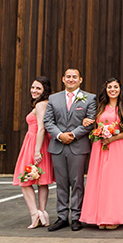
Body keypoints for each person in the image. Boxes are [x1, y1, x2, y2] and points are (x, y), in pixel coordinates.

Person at [80, 78, 123, 230]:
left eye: (115, 87)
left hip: (118, 146)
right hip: (100, 146)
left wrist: (114, 137)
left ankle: (113, 217)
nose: (112, 89)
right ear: (106, 90)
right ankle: (99, 216)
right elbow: (94, 123)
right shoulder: (101, 106)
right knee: (100, 180)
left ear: (120, 89)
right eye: (109, 87)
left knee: (114, 181)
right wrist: (89, 123)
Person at [43, 68, 96, 232]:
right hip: (58, 146)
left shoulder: (90, 98)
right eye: (68, 77)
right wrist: (60, 136)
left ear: (81, 80)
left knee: (77, 183)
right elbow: (48, 121)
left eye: (74, 77)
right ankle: (61, 217)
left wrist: (72, 135)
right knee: (61, 184)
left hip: (77, 146)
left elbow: (91, 121)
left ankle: (76, 217)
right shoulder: (53, 98)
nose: (71, 79)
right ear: (63, 79)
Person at [12, 76, 55, 228]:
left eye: (38, 88)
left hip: (35, 143)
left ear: (44, 90)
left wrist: (37, 151)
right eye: (33, 87)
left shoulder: (41, 105)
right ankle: (42, 212)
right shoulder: (43, 103)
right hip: (37, 142)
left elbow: (42, 127)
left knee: (24, 180)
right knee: (41, 181)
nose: (34, 90)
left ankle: (34, 213)